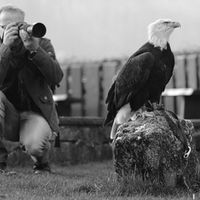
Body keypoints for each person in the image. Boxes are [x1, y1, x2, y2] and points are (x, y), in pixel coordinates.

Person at [0, 5, 63, 174]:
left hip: (35, 114)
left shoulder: (41, 43)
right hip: (6, 116)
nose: (13, 31)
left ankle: (42, 164)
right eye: (6, 27)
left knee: (36, 147)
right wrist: (5, 47)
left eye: (18, 25)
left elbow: (56, 77)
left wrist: (35, 49)